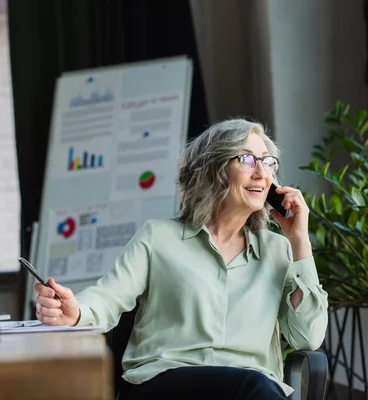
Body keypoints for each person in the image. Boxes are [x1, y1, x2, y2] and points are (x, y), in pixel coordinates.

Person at [34, 119, 329, 400]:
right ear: (214, 170)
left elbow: (308, 338)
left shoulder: (278, 250)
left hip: (251, 389)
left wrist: (299, 240)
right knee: (255, 388)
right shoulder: (157, 238)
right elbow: (107, 297)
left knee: (254, 387)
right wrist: (74, 313)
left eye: (268, 162)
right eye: (247, 160)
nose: (262, 174)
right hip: (165, 382)